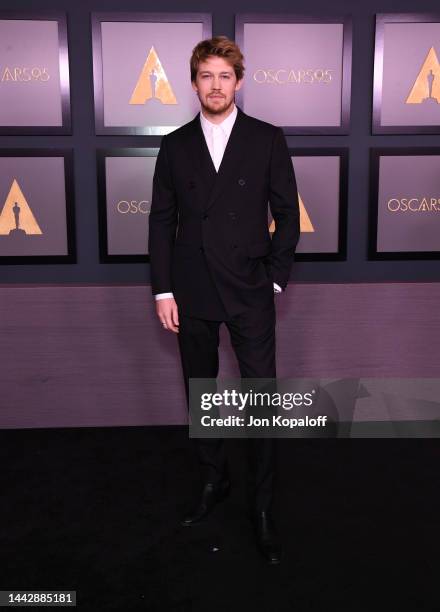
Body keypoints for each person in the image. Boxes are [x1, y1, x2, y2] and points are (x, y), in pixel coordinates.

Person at [148, 36, 300, 565]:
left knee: (260, 400)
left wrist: (275, 279)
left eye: (224, 76)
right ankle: (215, 481)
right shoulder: (174, 144)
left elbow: (286, 213)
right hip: (190, 288)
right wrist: (163, 288)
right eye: (206, 76)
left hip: (249, 286)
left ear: (239, 81)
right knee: (201, 392)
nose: (215, 85)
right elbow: (162, 220)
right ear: (194, 83)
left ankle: (261, 507)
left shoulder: (266, 139)